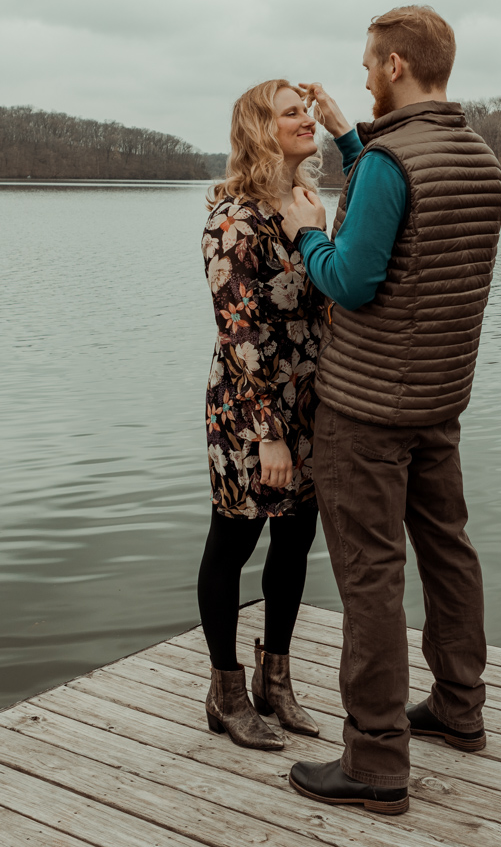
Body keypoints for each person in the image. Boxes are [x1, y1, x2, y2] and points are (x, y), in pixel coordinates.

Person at [279, 6, 501, 815]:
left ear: (399, 63)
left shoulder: (389, 163)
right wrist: (351, 139)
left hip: (366, 410)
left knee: (370, 578)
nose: (363, 76)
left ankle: (375, 762)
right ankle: (458, 705)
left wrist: (308, 235)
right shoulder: (478, 156)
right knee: (448, 551)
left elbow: (354, 278)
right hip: (438, 401)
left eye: (370, 65)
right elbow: (403, 217)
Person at [197, 79, 329, 750]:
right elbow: (238, 333)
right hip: (250, 415)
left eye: (307, 110)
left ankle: (276, 682)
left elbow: (325, 305)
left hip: (309, 406)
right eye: (291, 112)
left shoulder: (307, 204)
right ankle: (225, 690)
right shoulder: (232, 221)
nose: (308, 119)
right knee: (235, 540)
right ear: (259, 130)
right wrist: (269, 436)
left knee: (297, 538)